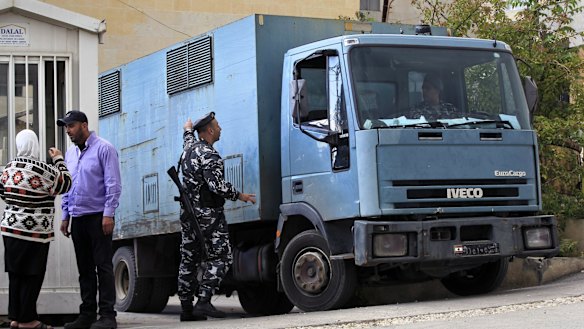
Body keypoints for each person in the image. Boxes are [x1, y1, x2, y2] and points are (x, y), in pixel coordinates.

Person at [178, 112, 256, 321]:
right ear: (210, 131)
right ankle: (203, 301)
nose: (220, 128)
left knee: (189, 260)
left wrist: (187, 129)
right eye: (218, 125)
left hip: (188, 215)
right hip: (208, 216)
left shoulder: (189, 149)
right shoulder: (210, 155)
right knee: (222, 257)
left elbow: (187, 139)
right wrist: (240, 196)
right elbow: (217, 186)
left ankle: (186, 309)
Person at [1, 129, 72, 329]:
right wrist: (58, 159)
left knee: (15, 274)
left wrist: (19, 205)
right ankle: (28, 320)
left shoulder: (8, 168)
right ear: (35, 144)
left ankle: (15, 318)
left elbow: (3, 193)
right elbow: (66, 184)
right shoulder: (44, 170)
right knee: (33, 274)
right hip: (35, 233)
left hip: (11, 229)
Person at [57, 111, 122, 329]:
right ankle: (87, 314)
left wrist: (108, 213)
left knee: (102, 266)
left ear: (84, 125)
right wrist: (65, 216)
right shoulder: (70, 153)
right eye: (66, 127)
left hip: (98, 217)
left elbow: (113, 183)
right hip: (78, 218)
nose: (68, 131)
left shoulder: (104, 148)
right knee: (84, 268)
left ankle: (107, 315)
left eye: (71, 126)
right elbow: (68, 187)